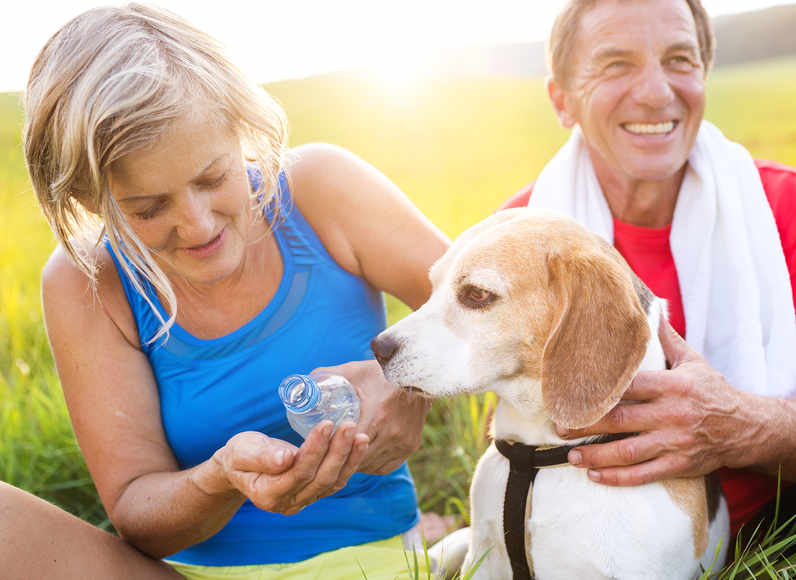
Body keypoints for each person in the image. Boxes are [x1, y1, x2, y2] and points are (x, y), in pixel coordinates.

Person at [16, 3, 450, 579]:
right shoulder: (88, 282)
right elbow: (137, 516)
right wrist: (218, 478)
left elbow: (503, 311)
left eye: (212, 178)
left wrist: (410, 385)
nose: (197, 225)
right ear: (91, 199)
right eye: (148, 209)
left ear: (240, 130)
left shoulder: (319, 192)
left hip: (368, 564)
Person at [500, 0, 796, 541]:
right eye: (616, 64)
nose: (658, 92)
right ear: (561, 100)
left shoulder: (785, 207)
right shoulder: (516, 244)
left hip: (770, 531)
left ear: (704, 75)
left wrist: (744, 426)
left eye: (680, 60)